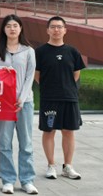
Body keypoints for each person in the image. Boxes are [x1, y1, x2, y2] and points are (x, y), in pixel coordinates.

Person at [0, 14, 37, 195]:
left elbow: (30, 77)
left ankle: (27, 180)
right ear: (3, 30)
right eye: (8, 26)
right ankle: (8, 180)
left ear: (20, 29)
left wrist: (22, 98)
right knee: (4, 142)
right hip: (3, 103)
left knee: (26, 143)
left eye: (15, 26)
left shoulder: (28, 51)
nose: (12, 29)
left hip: (24, 103)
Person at [35, 16, 85, 181]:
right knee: (49, 131)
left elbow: (76, 74)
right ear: (47, 30)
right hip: (49, 98)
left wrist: (66, 87)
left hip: (69, 97)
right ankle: (51, 165)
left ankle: (68, 166)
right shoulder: (40, 52)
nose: (56, 30)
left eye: (59, 27)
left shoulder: (73, 52)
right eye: (53, 27)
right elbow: (37, 75)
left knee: (69, 131)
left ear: (65, 30)